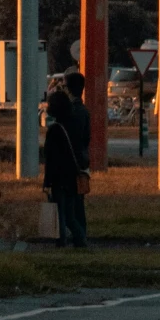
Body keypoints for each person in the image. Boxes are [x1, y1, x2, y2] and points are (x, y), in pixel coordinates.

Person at [42, 68, 91, 248]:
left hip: (60, 174)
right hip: (77, 167)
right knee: (74, 210)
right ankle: (80, 238)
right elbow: (86, 140)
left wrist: (46, 180)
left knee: (61, 212)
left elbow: (50, 156)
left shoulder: (58, 126)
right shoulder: (83, 112)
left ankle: (66, 241)